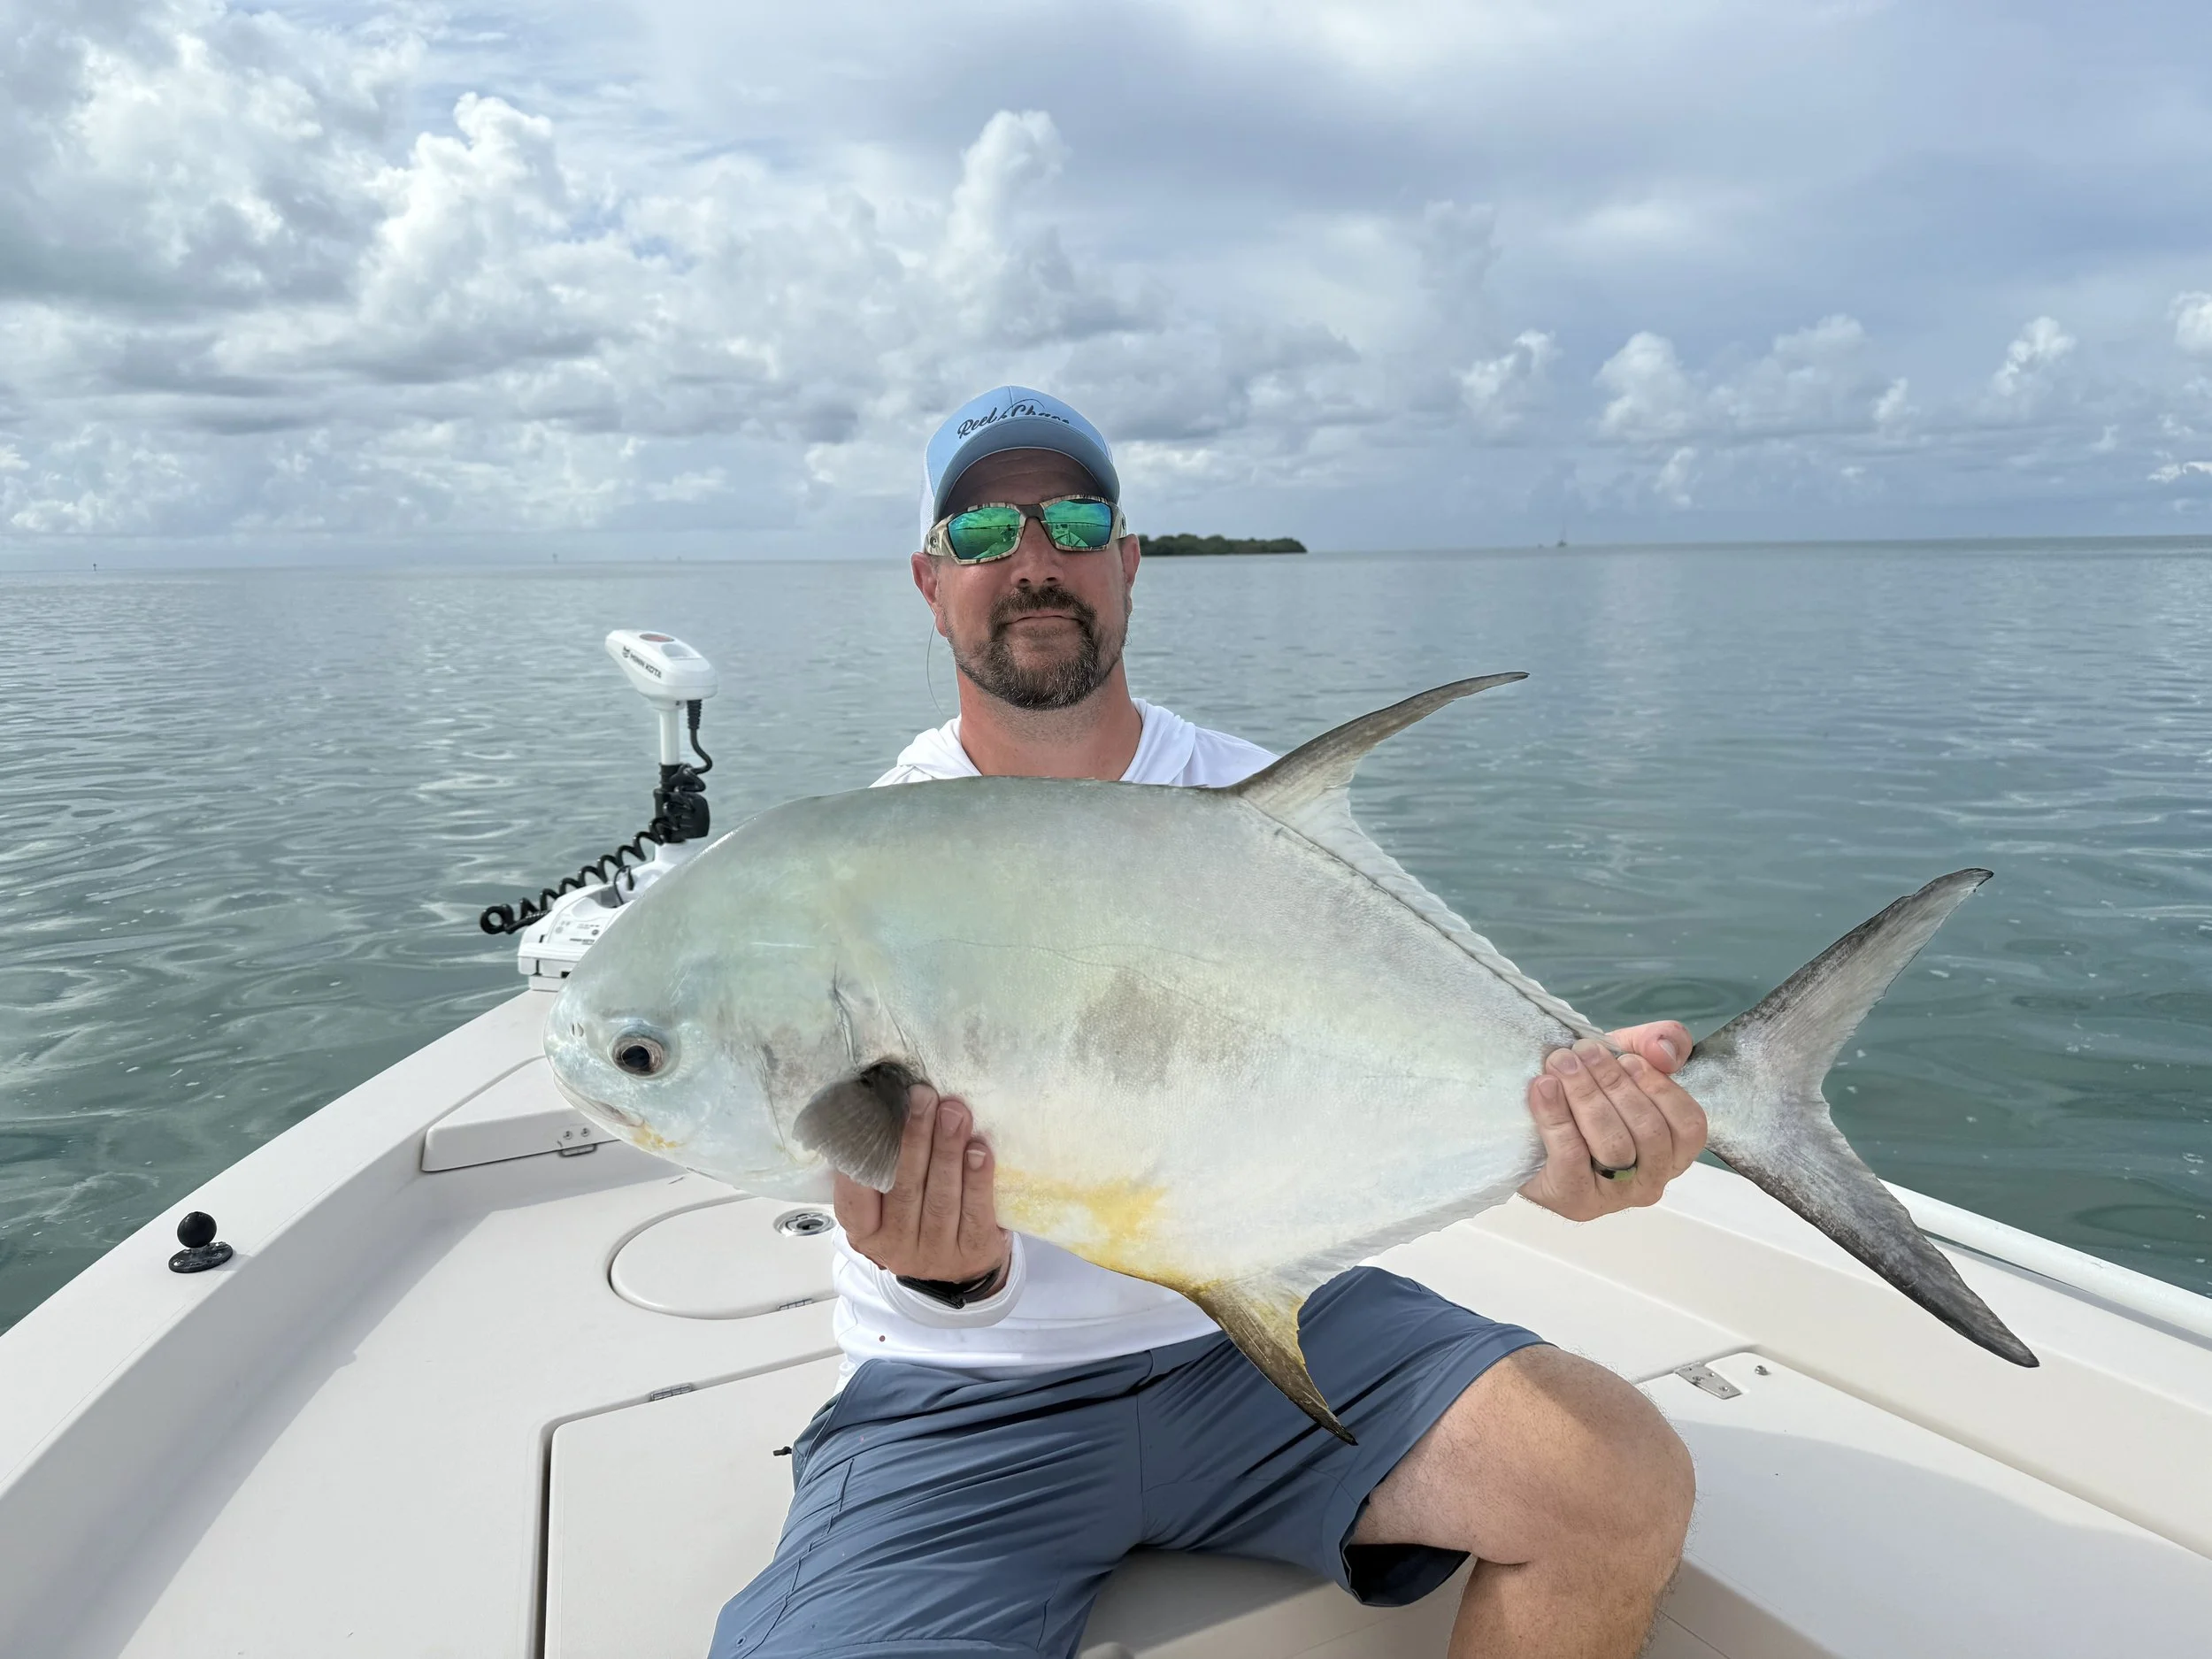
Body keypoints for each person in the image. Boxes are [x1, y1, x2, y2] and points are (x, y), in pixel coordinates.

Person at [710, 387, 1709, 1659]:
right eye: (980, 534)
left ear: (1127, 561)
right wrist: (945, 1270)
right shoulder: (861, 861)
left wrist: (1562, 1152)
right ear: (928, 577)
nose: (1032, 562)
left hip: (1260, 1343)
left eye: (1073, 520)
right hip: (960, 1401)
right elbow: (832, 1158)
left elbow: (1405, 1059)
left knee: (1615, 1479)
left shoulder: (1256, 805)